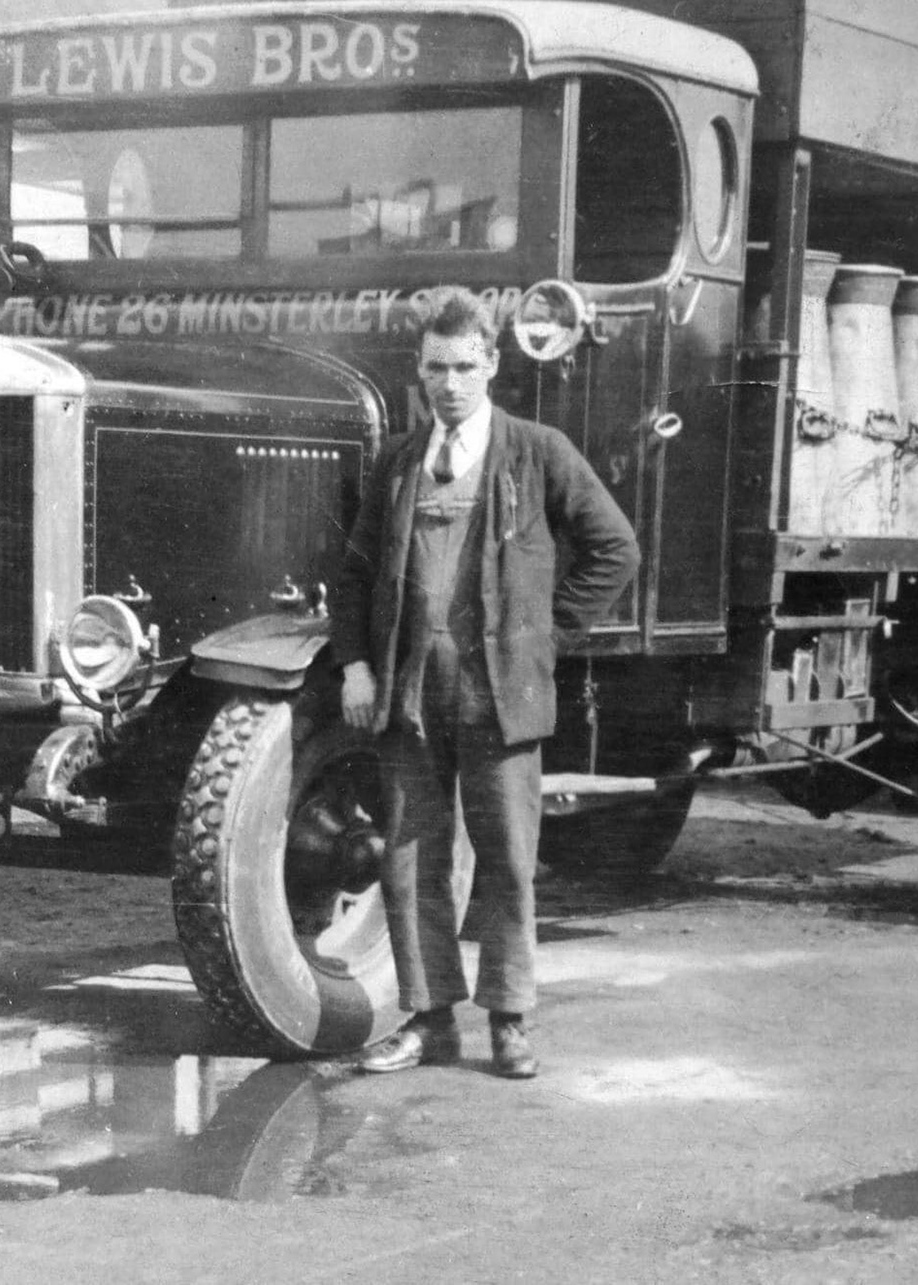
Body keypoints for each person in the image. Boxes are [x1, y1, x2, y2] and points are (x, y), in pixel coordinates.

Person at [333, 286, 641, 1079]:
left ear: (493, 365)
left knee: (506, 859)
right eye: (436, 367)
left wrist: (545, 636)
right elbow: (357, 572)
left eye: (465, 367)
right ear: (419, 368)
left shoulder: (538, 451)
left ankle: (510, 1022)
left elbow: (616, 549)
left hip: (500, 698)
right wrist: (359, 664)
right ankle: (429, 1020)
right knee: (410, 863)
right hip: (411, 695)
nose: (450, 384)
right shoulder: (401, 460)